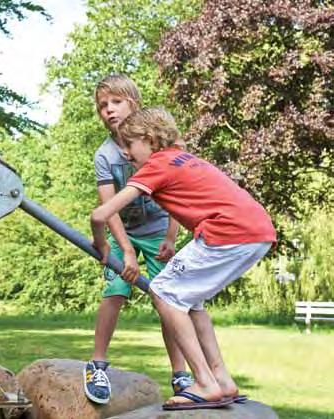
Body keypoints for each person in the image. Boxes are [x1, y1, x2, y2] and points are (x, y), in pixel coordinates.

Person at [90, 107, 276, 410]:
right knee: (190, 302)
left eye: (129, 145)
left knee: (162, 291)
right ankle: (222, 380)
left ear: (149, 139)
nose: (125, 154)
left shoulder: (156, 165)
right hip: (257, 231)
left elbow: (100, 214)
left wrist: (103, 246)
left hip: (228, 232)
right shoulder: (184, 158)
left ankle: (203, 382)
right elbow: (189, 202)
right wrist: (170, 240)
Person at [84, 74, 189, 405]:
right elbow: (107, 208)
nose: (109, 110)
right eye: (103, 105)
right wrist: (125, 250)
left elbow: (179, 191)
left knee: (168, 300)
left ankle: (181, 374)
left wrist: (172, 236)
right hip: (121, 231)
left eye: (116, 102)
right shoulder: (105, 155)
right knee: (115, 290)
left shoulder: (158, 143)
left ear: (134, 104)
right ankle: (97, 364)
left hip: (159, 228)